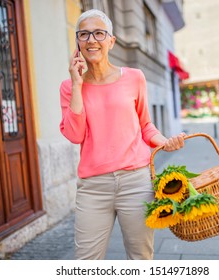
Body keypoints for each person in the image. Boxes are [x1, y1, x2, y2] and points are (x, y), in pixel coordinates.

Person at [59, 9, 185, 260]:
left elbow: (146, 125)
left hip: (135, 182)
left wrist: (165, 143)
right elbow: (75, 135)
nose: (91, 40)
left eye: (98, 33)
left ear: (111, 41)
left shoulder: (134, 78)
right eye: (84, 34)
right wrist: (76, 84)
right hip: (94, 187)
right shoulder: (69, 87)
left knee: (141, 258)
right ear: (77, 43)